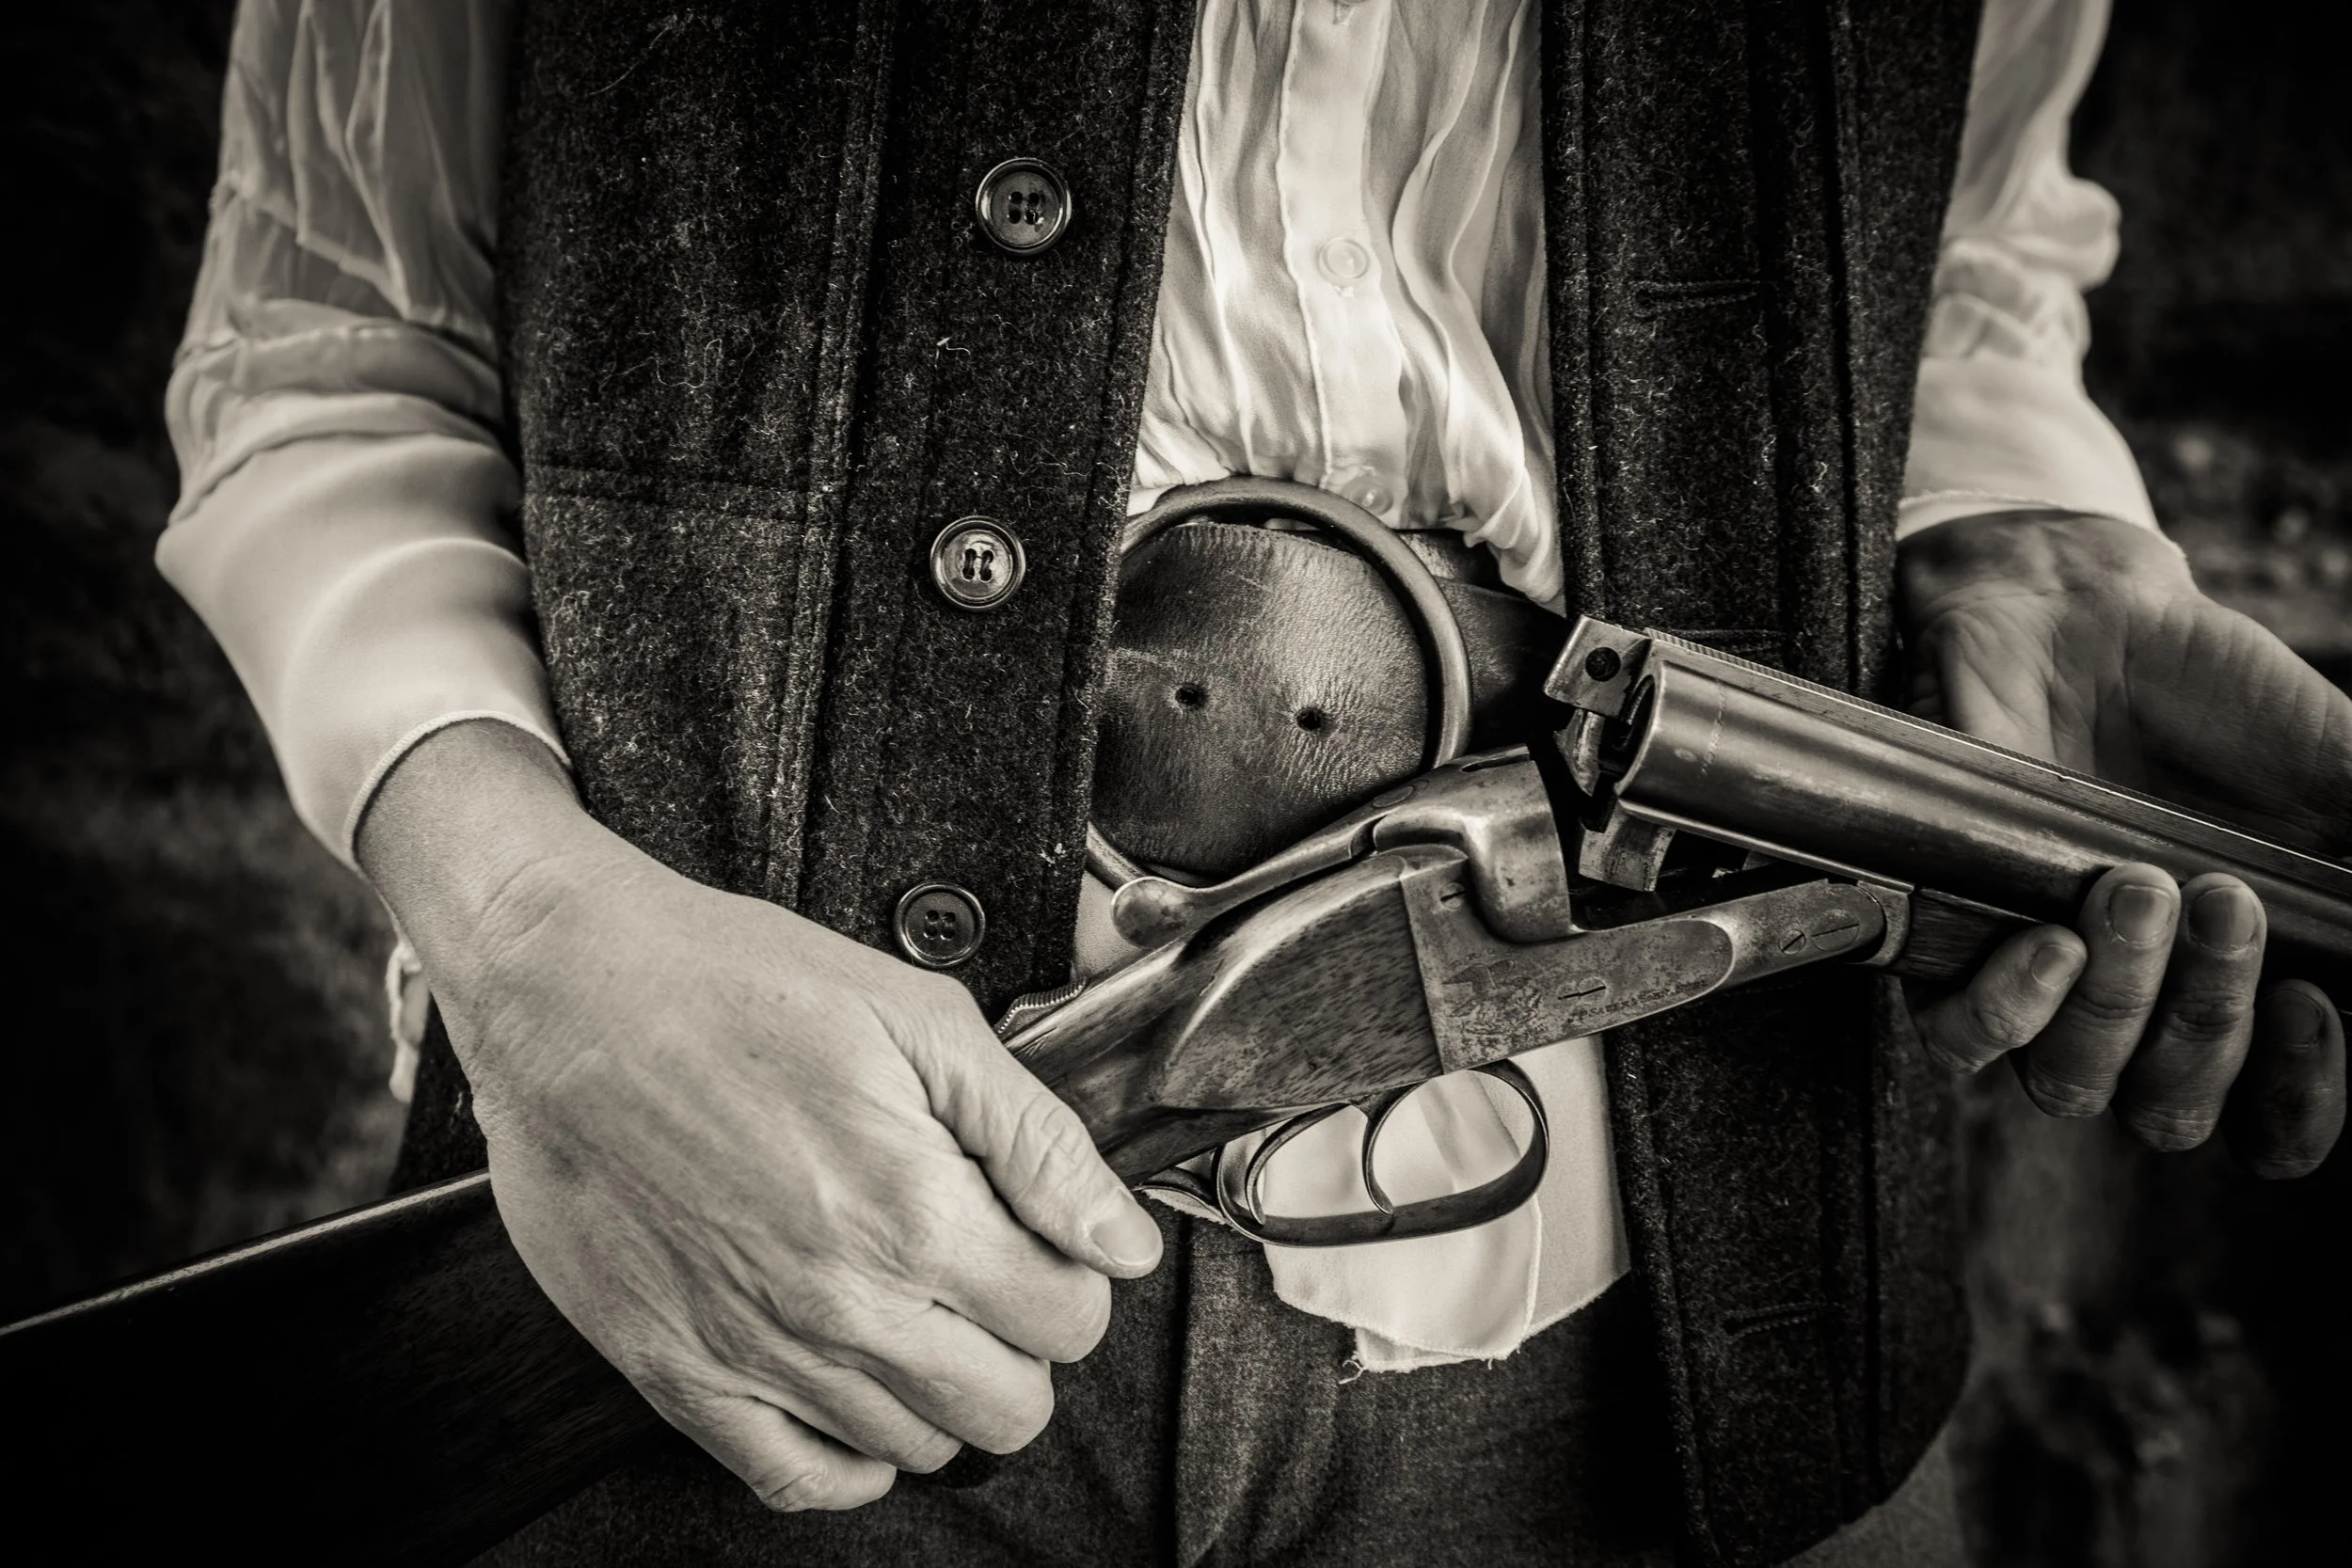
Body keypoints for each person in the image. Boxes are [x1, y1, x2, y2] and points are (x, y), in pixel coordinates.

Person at [159, 0, 2348, 1562]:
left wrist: (2021, 525)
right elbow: (333, 346)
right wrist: (533, 940)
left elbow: (1953, 247)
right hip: (747, 1231)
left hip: (1707, 1314)